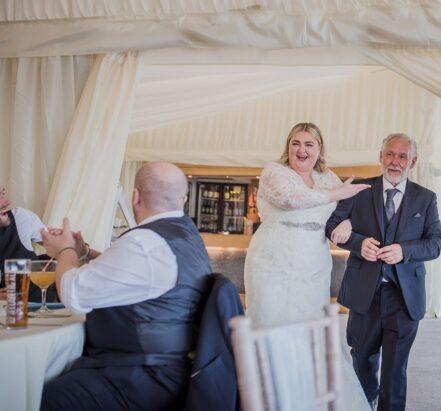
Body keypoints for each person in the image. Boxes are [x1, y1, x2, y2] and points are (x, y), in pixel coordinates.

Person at [40, 162, 212, 411]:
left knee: (35, 396)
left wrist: (64, 250)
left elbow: (72, 293)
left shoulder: (143, 242)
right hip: (174, 371)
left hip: (140, 377)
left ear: (135, 196)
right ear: (183, 199)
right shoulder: (186, 236)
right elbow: (132, 275)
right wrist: (83, 252)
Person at [242, 122, 371, 409]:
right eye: (296, 143)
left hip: (314, 263)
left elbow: (350, 209)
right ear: (288, 147)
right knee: (273, 322)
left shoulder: (328, 177)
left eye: (309, 144)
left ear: (319, 149)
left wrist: (348, 222)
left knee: (312, 328)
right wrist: (337, 195)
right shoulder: (274, 172)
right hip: (273, 261)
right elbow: (291, 200)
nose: (301, 149)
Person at [326, 133, 441, 411]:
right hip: (364, 291)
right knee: (363, 359)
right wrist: (357, 243)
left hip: (405, 296)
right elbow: (332, 224)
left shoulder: (426, 199)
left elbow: (436, 243)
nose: (395, 161)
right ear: (380, 157)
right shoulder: (359, 189)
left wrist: (405, 251)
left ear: (412, 161)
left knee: (395, 370)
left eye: (402, 156)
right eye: (390, 154)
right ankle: (363, 404)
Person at [0, 185, 52, 301]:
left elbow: (54, 245)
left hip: (39, 307)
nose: (6, 202)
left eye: (2, 194)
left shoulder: (20, 218)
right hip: (8, 313)